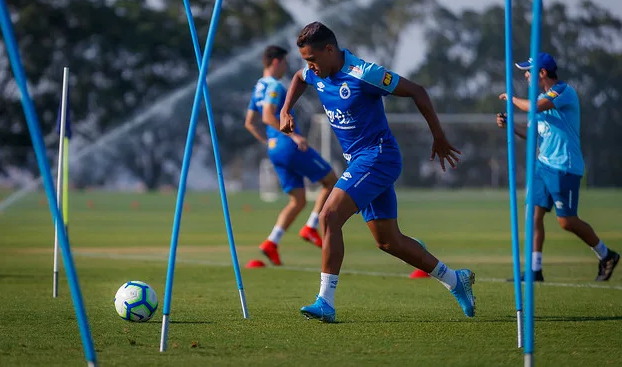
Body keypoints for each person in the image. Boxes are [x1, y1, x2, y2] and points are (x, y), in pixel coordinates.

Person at [279, 22, 476, 322]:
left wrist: (438, 136)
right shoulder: (315, 73)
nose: (310, 67)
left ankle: (325, 301)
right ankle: (454, 279)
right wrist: (285, 110)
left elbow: (417, 91)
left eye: (313, 60)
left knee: (329, 216)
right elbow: (298, 78)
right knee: (388, 242)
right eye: (306, 61)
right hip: (358, 162)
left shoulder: (364, 74)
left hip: (378, 156)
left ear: (330, 50)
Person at [497, 52, 619, 282]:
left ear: (542, 73)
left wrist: (512, 100)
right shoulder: (541, 98)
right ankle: (535, 270)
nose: (525, 75)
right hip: (543, 166)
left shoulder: (562, 91)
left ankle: (606, 254)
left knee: (566, 221)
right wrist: (511, 125)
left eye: (528, 71)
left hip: (565, 166)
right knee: (533, 215)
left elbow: (535, 107)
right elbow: (534, 133)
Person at [245, 45, 338, 266]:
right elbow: (267, 116)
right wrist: (294, 137)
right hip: (288, 145)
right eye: (285, 63)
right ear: (276, 62)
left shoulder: (258, 86)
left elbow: (250, 122)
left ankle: (271, 242)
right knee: (331, 181)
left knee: (298, 200)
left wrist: (270, 142)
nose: (285, 68)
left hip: (275, 149)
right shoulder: (274, 85)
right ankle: (311, 227)